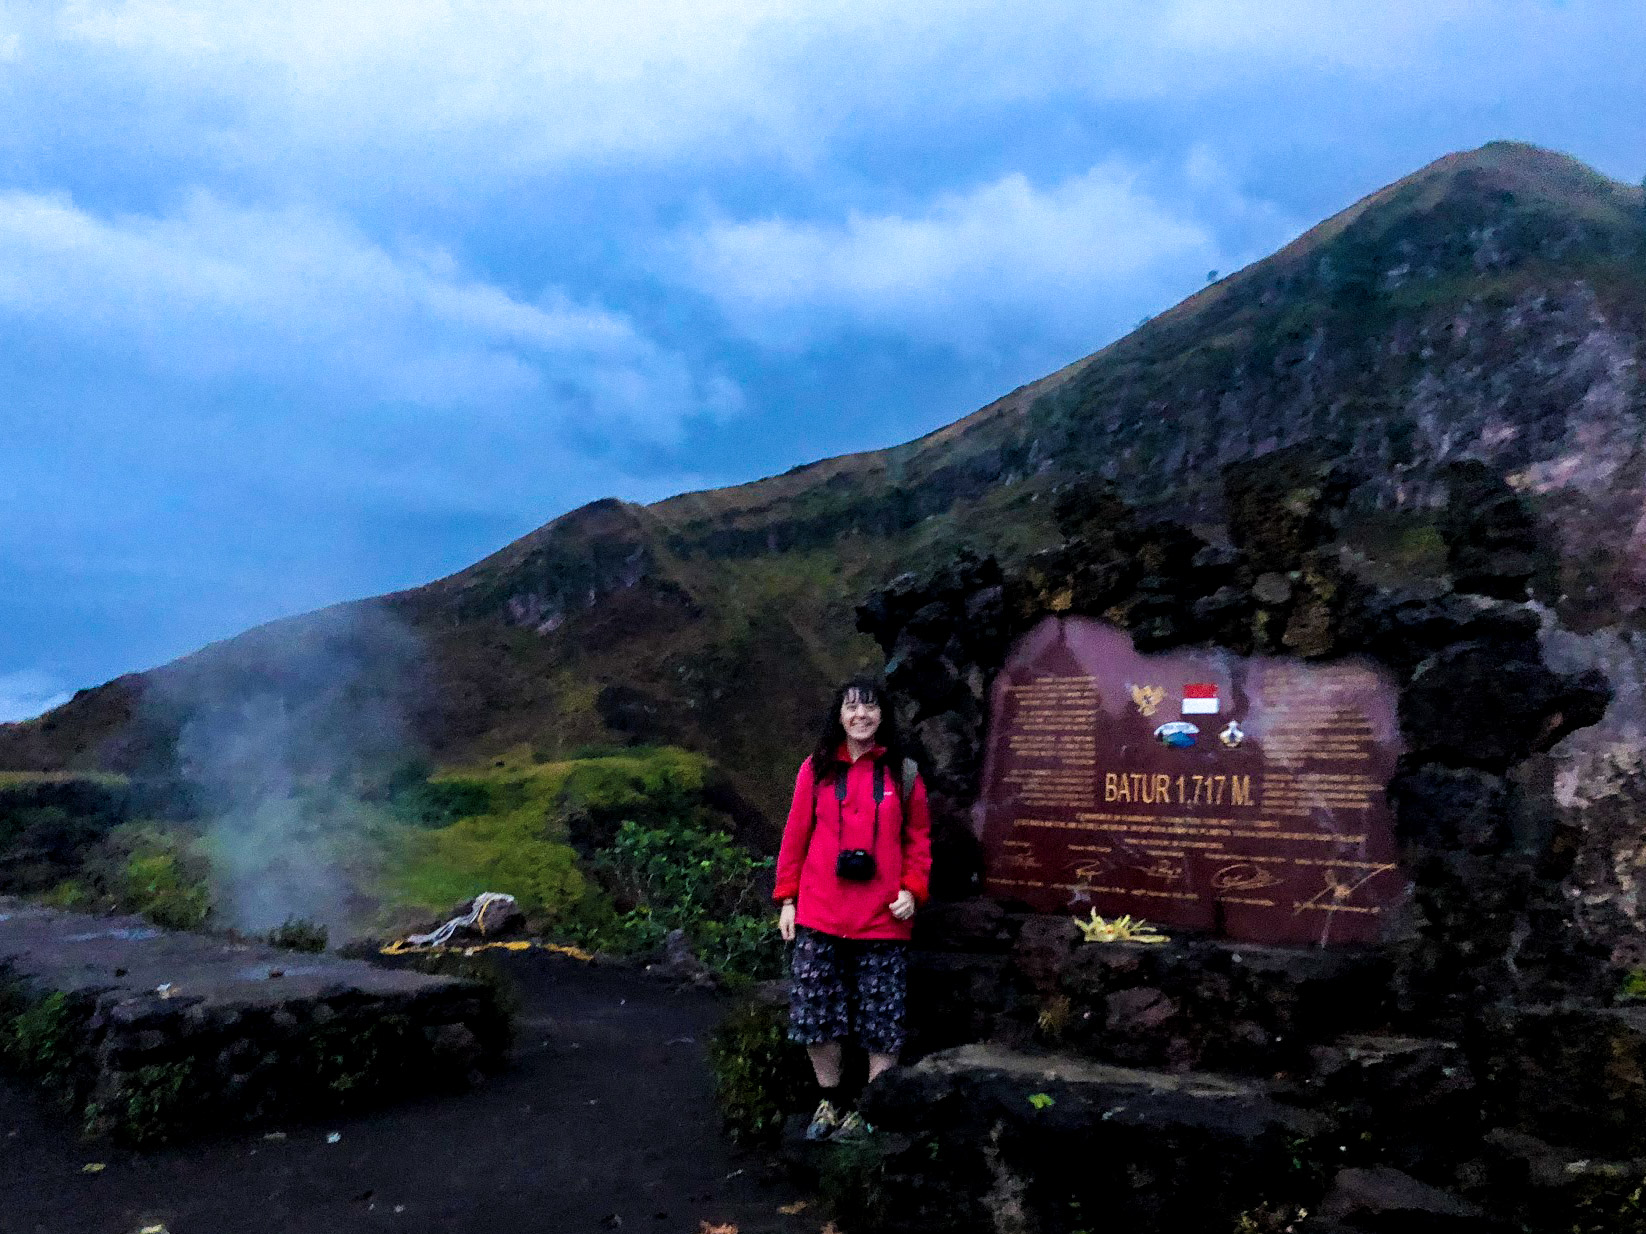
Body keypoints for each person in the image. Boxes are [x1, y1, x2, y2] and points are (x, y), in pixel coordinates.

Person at [773, 676, 932, 1141]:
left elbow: (919, 840)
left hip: (883, 917)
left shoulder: (903, 774)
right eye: (851, 708)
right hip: (820, 914)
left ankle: (870, 1109)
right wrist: (787, 900)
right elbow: (795, 835)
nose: (860, 716)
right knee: (815, 1012)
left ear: (883, 715)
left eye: (869, 707)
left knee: (882, 1017)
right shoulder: (816, 769)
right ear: (839, 716)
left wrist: (913, 889)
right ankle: (831, 1102)